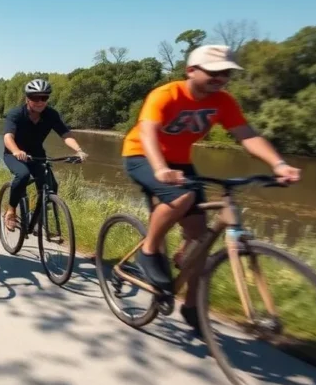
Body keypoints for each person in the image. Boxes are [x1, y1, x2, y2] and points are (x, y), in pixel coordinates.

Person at [121, 44, 300, 333]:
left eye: (225, 72)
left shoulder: (224, 102)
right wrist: (159, 169)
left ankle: (192, 307)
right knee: (182, 197)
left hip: (180, 162)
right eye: (213, 71)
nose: (220, 78)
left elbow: (247, 135)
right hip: (141, 155)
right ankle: (149, 252)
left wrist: (278, 164)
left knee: (201, 238)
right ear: (191, 70)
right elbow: (148, 132)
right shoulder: (166, 94)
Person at [2, 79, 88, 231]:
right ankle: (11, 211)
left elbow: (65, 134)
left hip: (37, 155)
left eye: (44, 98)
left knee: (51, 186)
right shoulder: (16, 114)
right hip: (14, 154)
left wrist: (78, 150)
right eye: (35, 98)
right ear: (27, 98)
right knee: (23, 175)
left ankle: (37, 215)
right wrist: (16, 151)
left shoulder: (51, 114)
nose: (40, 102)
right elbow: (8, 137)